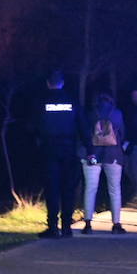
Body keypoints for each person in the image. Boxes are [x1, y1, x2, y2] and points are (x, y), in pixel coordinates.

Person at [37, 69, 82, 239]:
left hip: (49, 150)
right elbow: (82, 125)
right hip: (69, 149)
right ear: (62, 83)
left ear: (48, 83)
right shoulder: (72, 101)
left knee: (52, 189)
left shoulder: (42, 101)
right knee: (68, 189)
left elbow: (33, 125)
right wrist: (89, 149)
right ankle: (67, 227)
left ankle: (53, 227)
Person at [81, 92, 128, 234]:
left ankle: (88, 224)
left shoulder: (90, 114)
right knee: (114, 190)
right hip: (113, 156)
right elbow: (123, 134)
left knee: (90, 189)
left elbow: (84, 134)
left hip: (92, 156)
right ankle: (116, 224)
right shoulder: (117, 114)